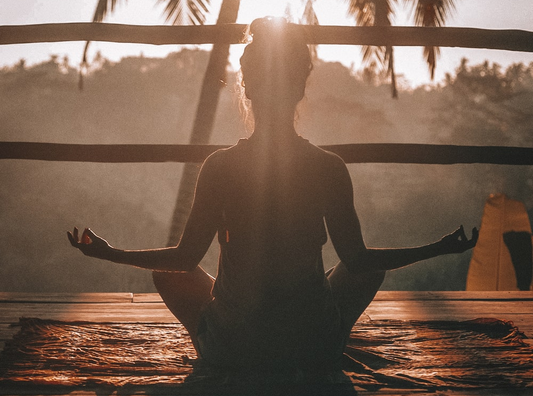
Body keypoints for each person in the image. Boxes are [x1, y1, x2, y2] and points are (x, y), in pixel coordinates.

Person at [68, 17, 478, 376]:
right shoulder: (328, 167)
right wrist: (438, 248)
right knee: (368, 268)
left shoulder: (220, 166)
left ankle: (214, 349)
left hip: (236, 349)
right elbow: (359, 260)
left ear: (247, 88)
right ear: (300, 89)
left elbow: (183, 260)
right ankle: (330, 342)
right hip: (310, 345)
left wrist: (111, 252)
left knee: (168, 274)